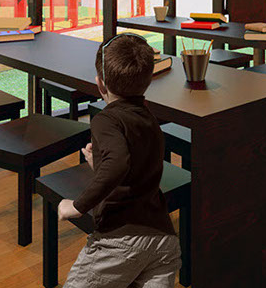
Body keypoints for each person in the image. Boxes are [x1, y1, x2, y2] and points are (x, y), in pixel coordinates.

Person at [58, 33, 180, 288]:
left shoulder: (106, 119)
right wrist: (100, 165)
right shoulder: (148, 117)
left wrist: (77, 206)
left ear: (100, 84)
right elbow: (134, 166)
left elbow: (119, 164)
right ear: (148, 81)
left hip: (121, 241)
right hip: (163, 240)